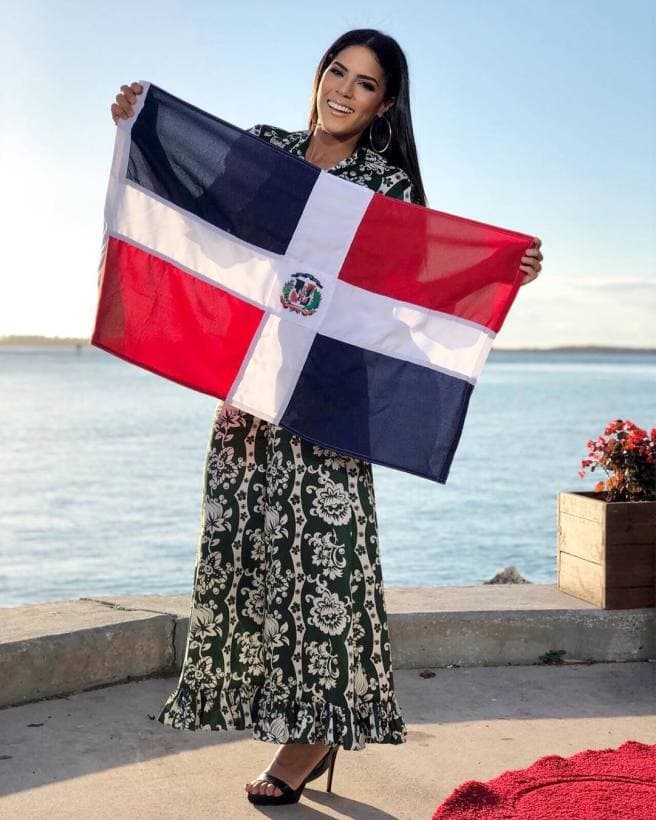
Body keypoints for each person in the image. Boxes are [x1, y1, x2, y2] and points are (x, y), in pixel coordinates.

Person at [111, 28, 543, 807]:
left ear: (385, 103)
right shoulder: (267, 149)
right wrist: (139, 124)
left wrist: (501, 271)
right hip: (250, 402)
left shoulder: (387, 186)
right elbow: (198, 209)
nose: (343, 90)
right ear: (319, 77)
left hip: (329, 416)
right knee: (258, 574)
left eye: (365, 83)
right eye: (336, 72)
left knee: (327, 576)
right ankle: (300, 722)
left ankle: (313, 736)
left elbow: (414, 298)